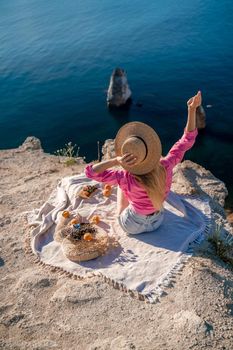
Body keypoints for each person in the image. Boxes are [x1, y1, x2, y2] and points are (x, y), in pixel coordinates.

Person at [85, 91, 202, 234]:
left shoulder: (124, 176)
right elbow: (187, 140)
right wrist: (192, 110)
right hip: (158, 221)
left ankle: (122, 214)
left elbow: (90, 172)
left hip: (132, 225)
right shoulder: (166, 165)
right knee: (127, 186)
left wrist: (115, 160)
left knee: (122, 188)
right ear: (150, 151)